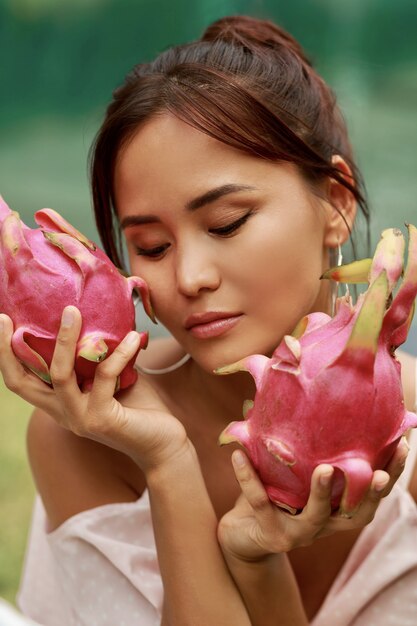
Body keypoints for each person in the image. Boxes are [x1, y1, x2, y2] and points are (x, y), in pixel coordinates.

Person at [0, 14, 416, 626]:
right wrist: (167, 461)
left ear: (336, 204)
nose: (189, 277)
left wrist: (253, 560)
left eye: (226, 223)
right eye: (151, 246)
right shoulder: (87, 439)